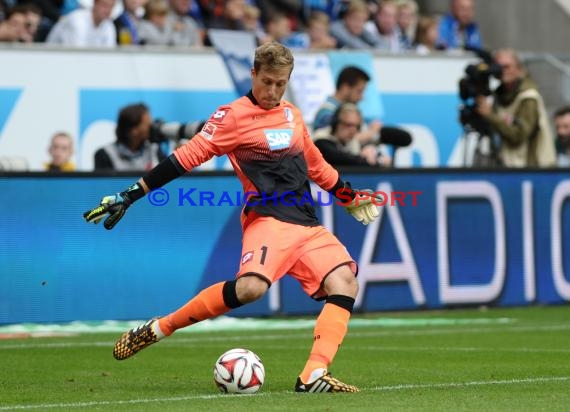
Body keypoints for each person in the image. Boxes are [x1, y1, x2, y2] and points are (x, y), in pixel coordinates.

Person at [83, 42, 383, 393]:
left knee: (345, 282)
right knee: (251, 288)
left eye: (281, 84)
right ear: (253, 74)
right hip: (268, 218)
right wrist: (131, 195)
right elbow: (186, 157)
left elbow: (315, 165)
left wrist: (348, 195)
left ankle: (313, 375)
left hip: (307, 222)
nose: (273, 91)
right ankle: (159, 327)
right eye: (267, 81)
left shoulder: (292, 115)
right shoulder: (232, 116)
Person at [475, 48, 556, 167]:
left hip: (533, 167)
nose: (502, 71)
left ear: (519, 69)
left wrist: (490, 116)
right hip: (508, 164)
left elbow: (519, 135)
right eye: (498, 67)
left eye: (507, 67)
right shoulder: (498, 95)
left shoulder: (528, 96)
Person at [313, 65, 411, 154]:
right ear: (345, 88)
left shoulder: (351, 112)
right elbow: (334, 142)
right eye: (359, 91)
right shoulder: (326, 112)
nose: (362, 97)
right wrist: (371, 133)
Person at [94, 103, 167, 171]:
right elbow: (105, 184)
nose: (151, 128)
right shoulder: (104, 154)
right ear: (133, 131)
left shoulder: (154, 149)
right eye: (147, 125)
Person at [314, 102, 389, 167]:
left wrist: (375, 155)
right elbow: (340, 158)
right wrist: (366, 159)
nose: (353, 130)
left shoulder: (352, 141)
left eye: (356, 126)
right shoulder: (321, 139)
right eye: (348, 125)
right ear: (336, 123)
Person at [46, 0, 117, 47]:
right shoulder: (77, 20)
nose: (108, 10)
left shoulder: (109, 25)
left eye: (111, 7)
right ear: (95, 3)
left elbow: (110, 52)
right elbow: (77, 55)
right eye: (104, 5)